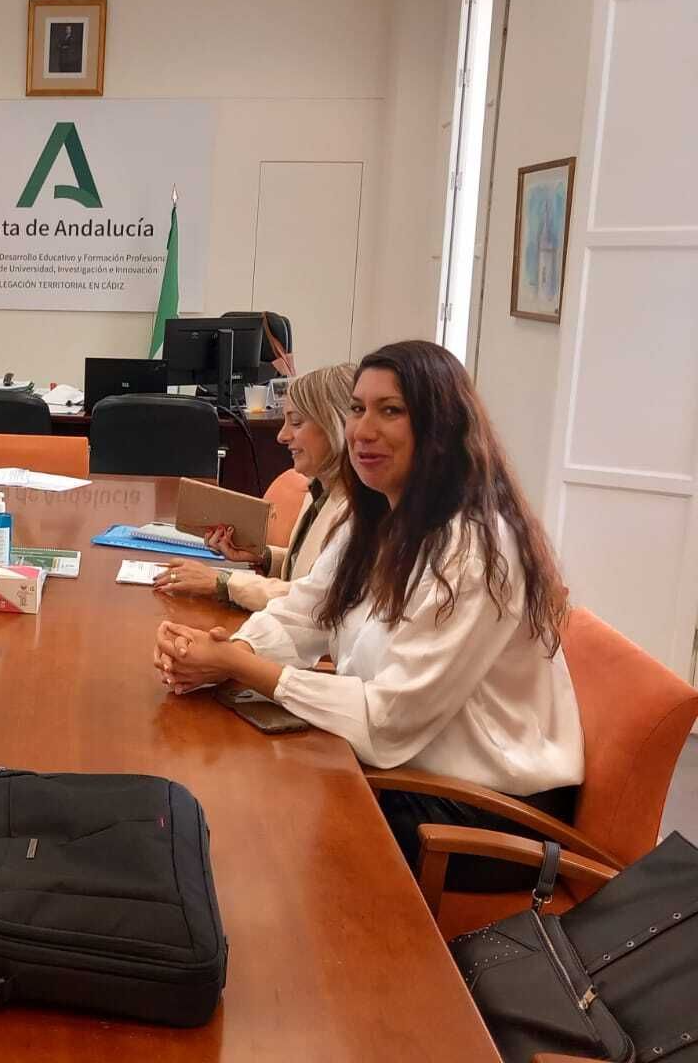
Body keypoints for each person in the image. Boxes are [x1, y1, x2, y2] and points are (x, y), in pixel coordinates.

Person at [152, 340, 583, 889]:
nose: (362, 430)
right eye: (357, 409)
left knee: (260, 828)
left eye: (391, 410)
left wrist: (240, 667)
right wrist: (225, 651)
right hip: (410, 768)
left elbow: (388, 721)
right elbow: (305, 614)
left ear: (441, 428)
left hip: (486, 811)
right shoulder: (374, 516)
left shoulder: (474, 549)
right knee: (222, 789)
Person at [154, 363, 354, 610]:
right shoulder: (320, 489)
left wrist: (224, 582)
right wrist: (264, 557)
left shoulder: (358, 513)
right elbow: (313, 573)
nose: (282, 436)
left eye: (296, 423)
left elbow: (316, 601)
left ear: (335, 426)